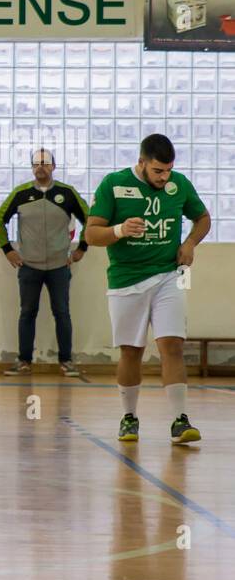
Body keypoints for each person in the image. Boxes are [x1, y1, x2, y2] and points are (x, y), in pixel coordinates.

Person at [85, 134, 210, 444]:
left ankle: (180, 420)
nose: (163, 177)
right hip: (126, 280)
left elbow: (203, 218)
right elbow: (91, 235)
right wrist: (119, 229)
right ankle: (129, 417)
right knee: (132, 351)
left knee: (173, 345)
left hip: (170, 276)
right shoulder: (113, 184)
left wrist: (190, 242)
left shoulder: (178, 184)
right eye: (157, 171)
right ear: (141, 163)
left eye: (168, 170)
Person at [0, 148, 89, 377]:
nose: (41, 167)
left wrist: (82, 249)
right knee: (27, 313)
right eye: (36, 164)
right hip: (29, 266)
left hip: (59, 266)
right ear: (31, 167)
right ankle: (23, 361)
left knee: (62, 313)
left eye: (45, 163)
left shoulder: (67, 193)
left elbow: (91, 219)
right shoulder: (21, 193)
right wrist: (8, 250)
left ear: (53, 167)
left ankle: (66, 362)